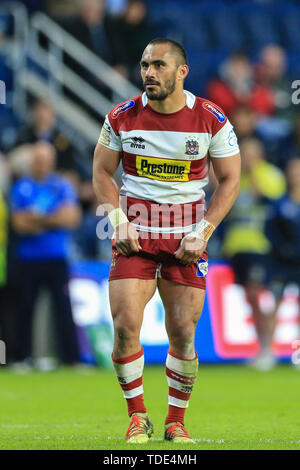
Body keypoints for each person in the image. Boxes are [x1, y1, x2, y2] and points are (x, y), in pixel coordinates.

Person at [93, 38, 241, 443]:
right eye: (144, 65)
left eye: (158, 65)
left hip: (186, 240)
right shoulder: (121, 116)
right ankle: (137, 417)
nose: (149, 73)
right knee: (125, 327)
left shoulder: (211, 119)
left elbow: (230, 181)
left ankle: (176, 421)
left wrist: (204, 232)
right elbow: (102, 173)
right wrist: (117, 219)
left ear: (182, 72)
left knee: (183, 332)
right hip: (134, 237)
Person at [11, 142, 81, 369]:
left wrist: (37, 220)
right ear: (33, 161)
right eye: (38, 160)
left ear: (51, 161)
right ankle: (22, 357)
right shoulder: (21, 186)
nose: (42, 164)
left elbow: (72, 218)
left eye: (45, 160)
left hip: (56, 256)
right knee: (25, 308)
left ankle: (71, 359)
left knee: (63, 307)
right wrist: (54, 219)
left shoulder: (61, 185)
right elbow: (19, 224)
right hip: (28, 258)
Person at [222, 137, 286, 371]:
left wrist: (255, 176)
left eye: (250, 152)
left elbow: (275, 205)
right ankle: (263, 347)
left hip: (261, 246)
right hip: (238, 247)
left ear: (259, 154)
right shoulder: (236, 178)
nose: (246, 157)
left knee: (259, 294)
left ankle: (268, 347)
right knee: (250, 298)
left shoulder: (270, 175)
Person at [265, 158, 300, 367]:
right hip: (282, 263)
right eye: (293, 170)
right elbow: (269, 231)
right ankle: (267, 352)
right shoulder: (280, 203)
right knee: (274, 305)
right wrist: (281, 249)